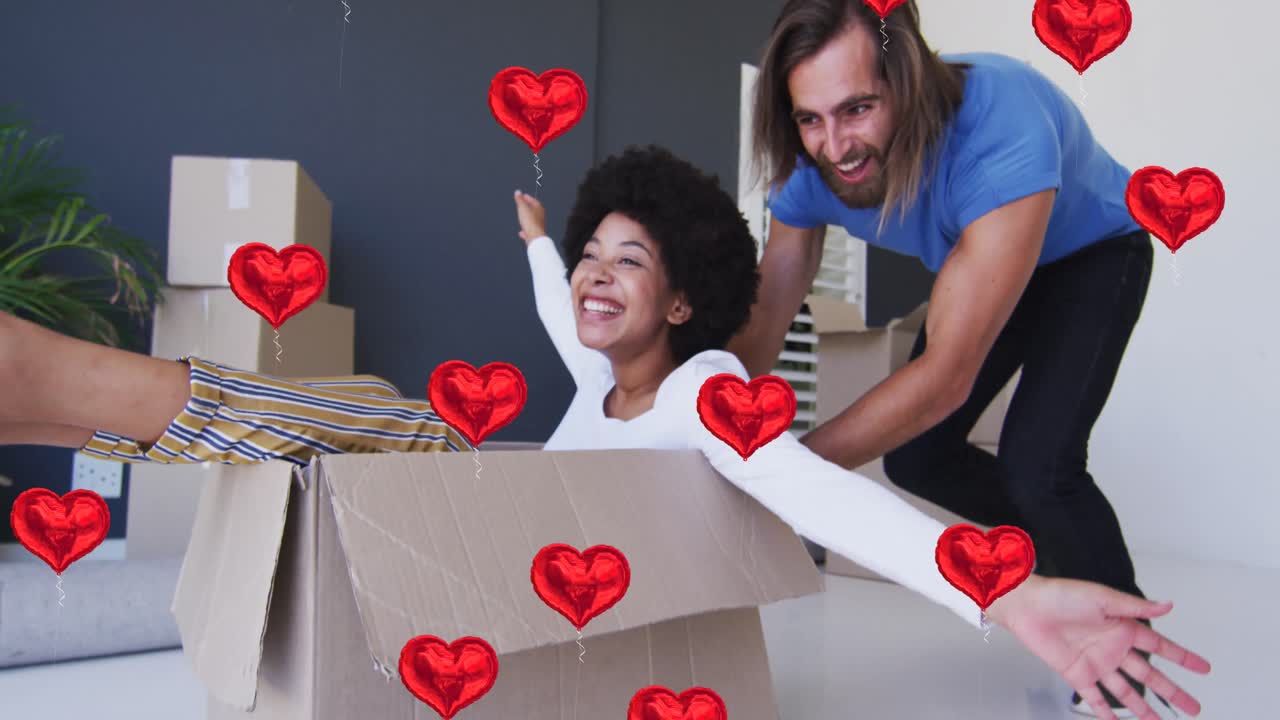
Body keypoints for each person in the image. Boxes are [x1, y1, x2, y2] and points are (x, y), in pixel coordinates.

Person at [0, 147, 1206, 718]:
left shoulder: (697, 398)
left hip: (480, 540)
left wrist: (1000, 595)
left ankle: (83, 385)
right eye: (591, 254)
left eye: (627, 262)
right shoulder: (592, 375)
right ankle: (71, 389)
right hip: (453, 505)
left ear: (682, 303)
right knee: (379, 414)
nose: (594, 277)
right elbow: (554, 303)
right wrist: (538, 237)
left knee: (366, 421)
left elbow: (817, 494)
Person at [729, 2, 1160, 715]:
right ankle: (1050, 556)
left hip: (1092, 254)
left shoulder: (1001, 122)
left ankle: (1125, 657)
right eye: (810, 119)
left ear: (908, 79)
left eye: (858, 108)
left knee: (1039, 466)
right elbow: (770, 310)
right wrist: (717, 428)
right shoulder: (809, 167)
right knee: (918, 459)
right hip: (987, 254)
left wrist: (787, 473)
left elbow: (944, 380)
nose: (835, 146)